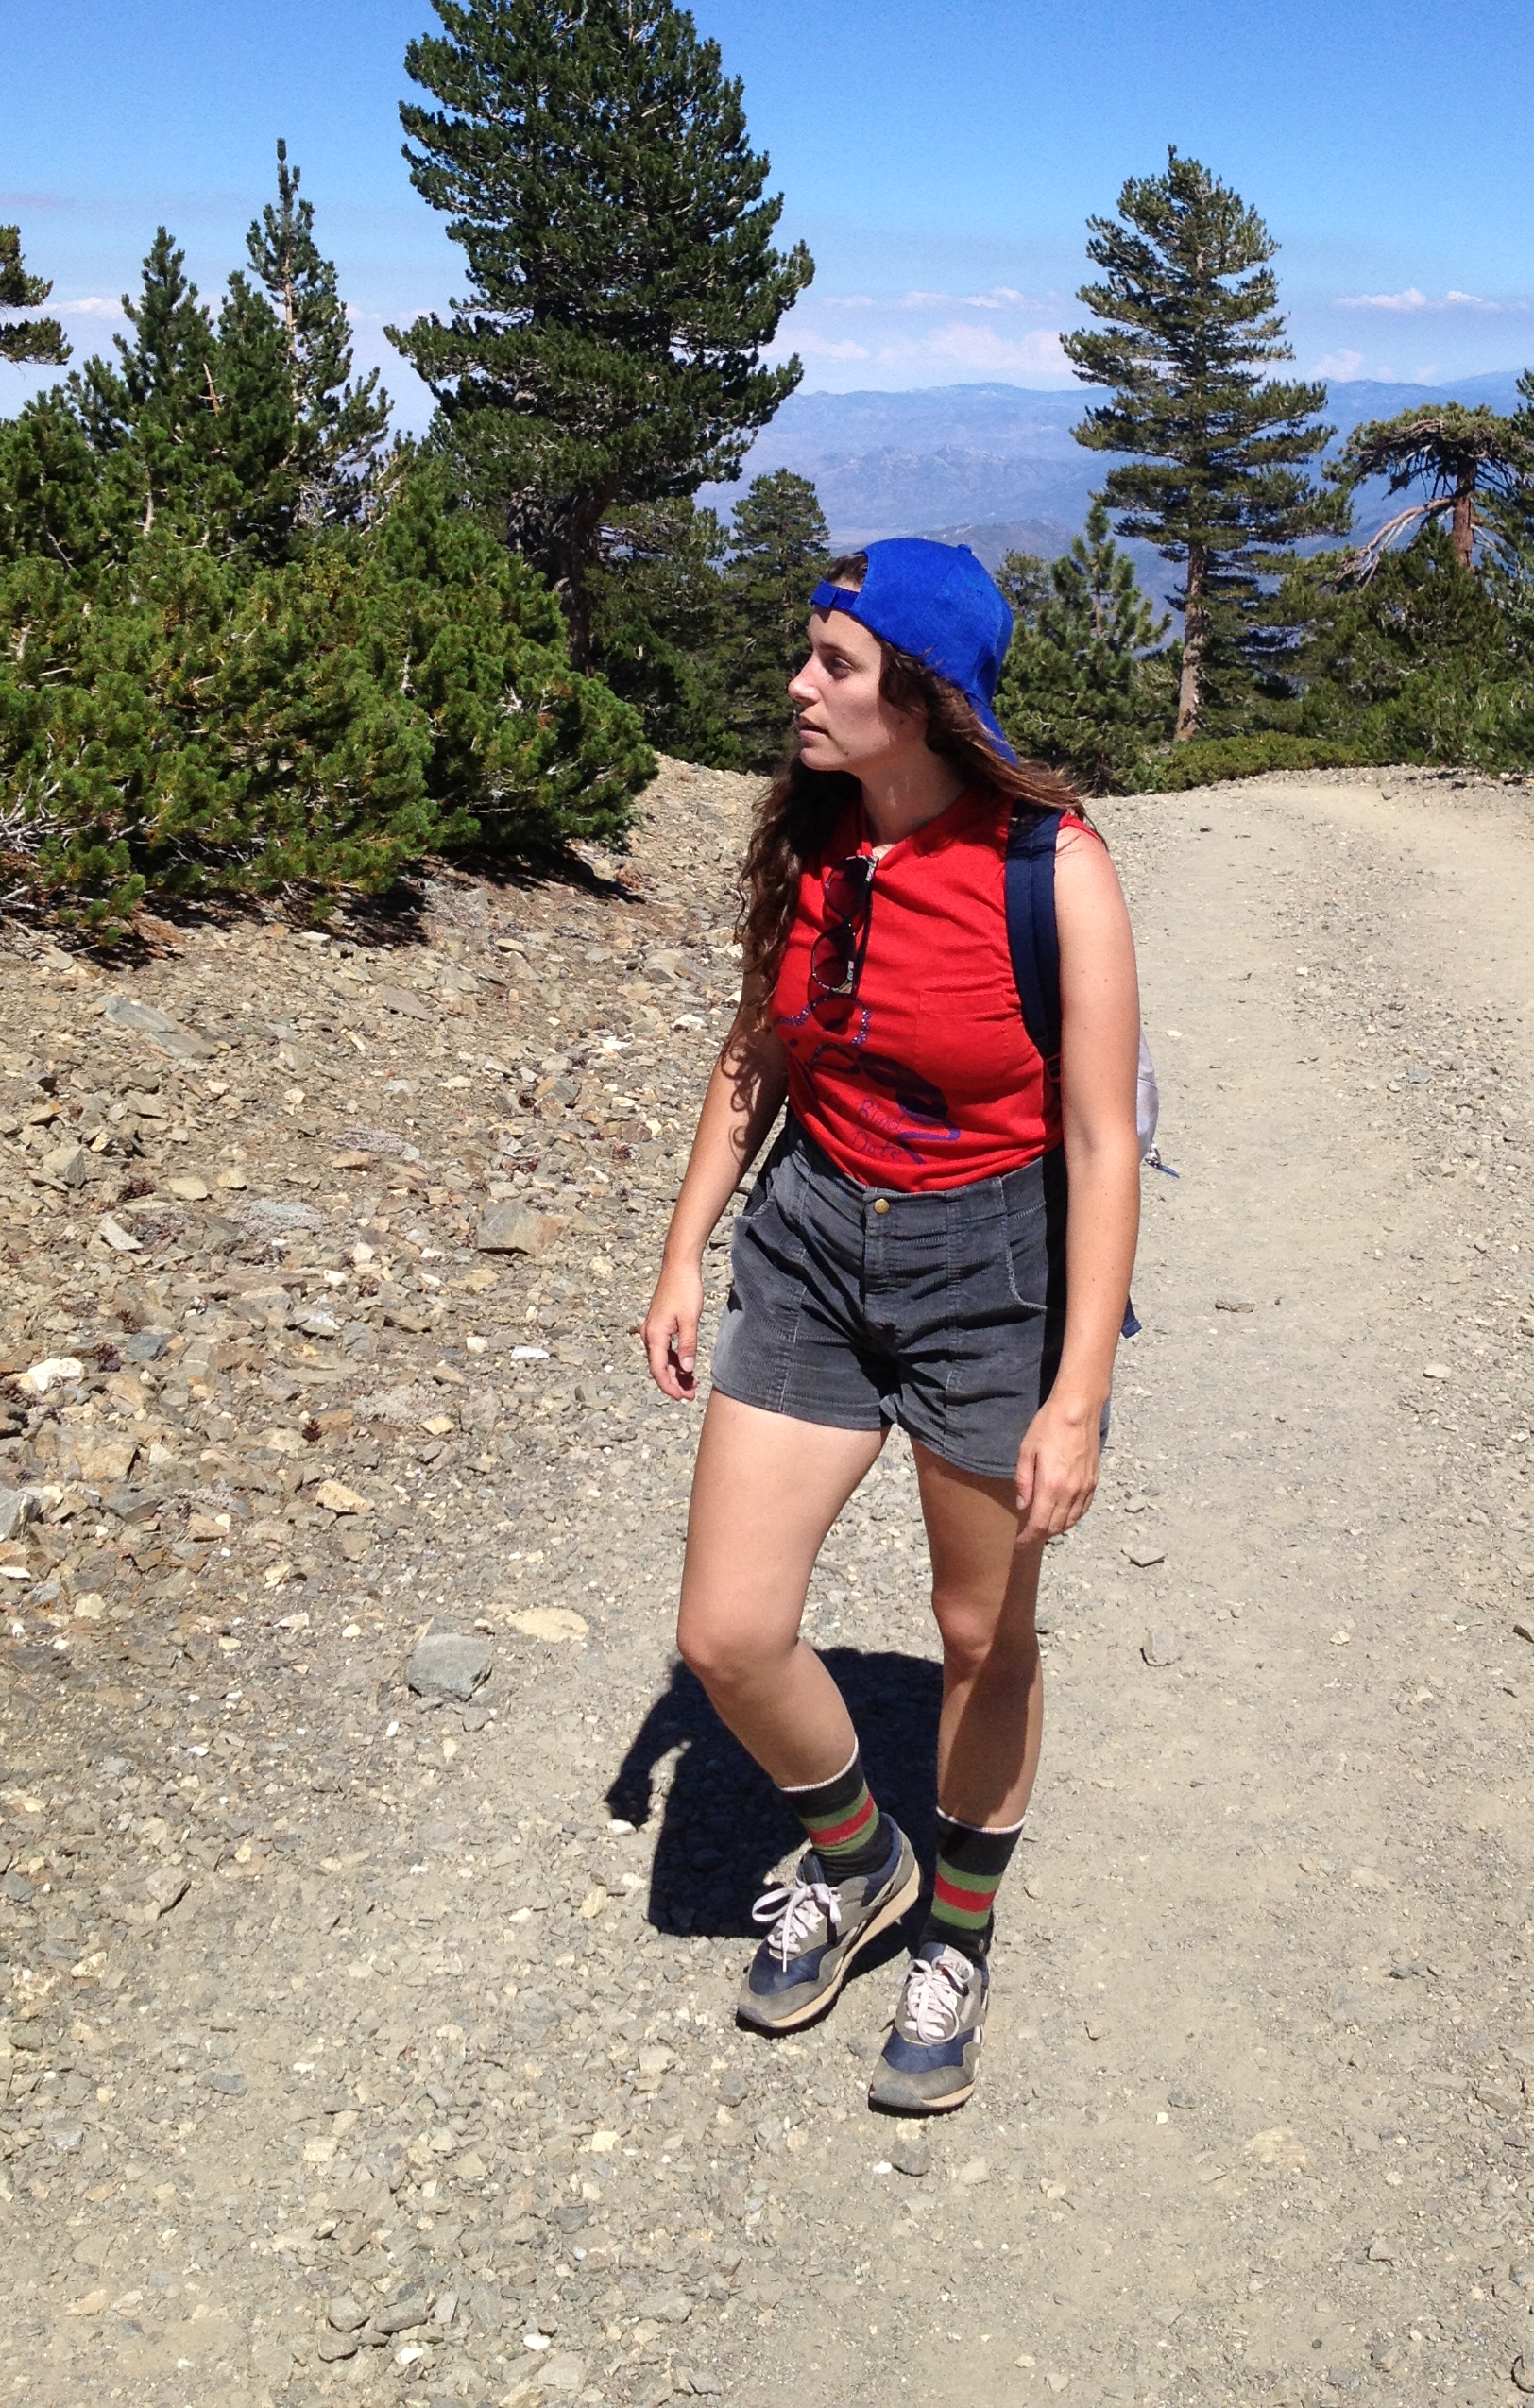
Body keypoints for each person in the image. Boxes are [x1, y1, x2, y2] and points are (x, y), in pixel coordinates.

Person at [640, 538, 1142, 2114]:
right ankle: (860, 1856)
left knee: (980, 1635)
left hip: (991, 1268)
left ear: (920, 699)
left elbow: (1102, 1143)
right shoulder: (814, 834)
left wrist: (1077, 1392)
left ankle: (959, 1932)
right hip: (811, 1242)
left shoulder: (1052, 869)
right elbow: (757, 1052)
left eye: (835, 665)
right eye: (810, 654)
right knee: (727, 1633)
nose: (800, 685)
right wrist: (684, 1248)